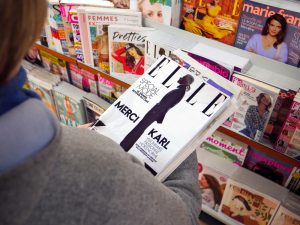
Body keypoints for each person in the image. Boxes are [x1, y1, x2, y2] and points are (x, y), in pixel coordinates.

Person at [0, 1, 201, 225]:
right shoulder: (103, 171)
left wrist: (71, 141)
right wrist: (184, 136)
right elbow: (182, 217)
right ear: (29, 33)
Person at [120, 74, 194, 151]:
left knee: (139, 128)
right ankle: (125, 146)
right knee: (140, 128)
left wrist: (155, 112)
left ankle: (123, 146)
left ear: (185, 81)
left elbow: (166, 104)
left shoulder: (179, 91)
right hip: (156, 112)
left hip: (155, 112)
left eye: (182, 77)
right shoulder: (180, 91)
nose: (180, 77)